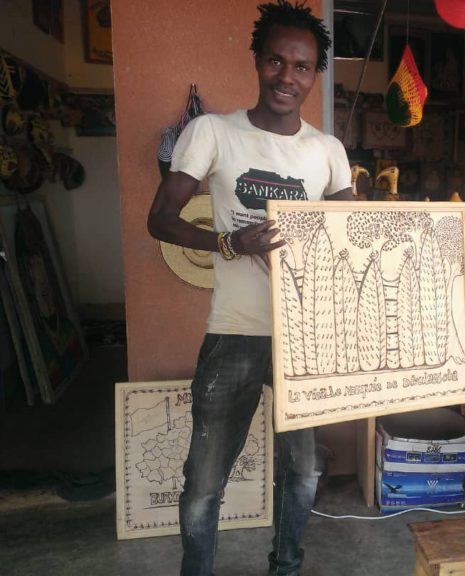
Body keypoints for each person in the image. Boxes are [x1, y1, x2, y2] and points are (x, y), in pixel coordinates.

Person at [147, 2, 352, 575]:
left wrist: (447, 262)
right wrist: (232, 243)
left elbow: (354, 238)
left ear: (317, 74)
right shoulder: (212, 132)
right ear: (258, 63)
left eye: (303, 67)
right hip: (234, 332)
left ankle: (285, 567)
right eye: (277, 62)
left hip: (305, 338)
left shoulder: (327, 152)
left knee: (306, 470)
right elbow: (161, 219)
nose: (288, 77)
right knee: (204, 481)